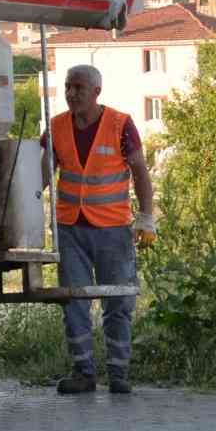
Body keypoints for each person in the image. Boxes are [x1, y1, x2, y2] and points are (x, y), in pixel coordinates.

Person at [41, 64, 156, 395]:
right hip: (70, 228)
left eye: (78, 87)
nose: (71, 93)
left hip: (113, 229)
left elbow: (140, 171)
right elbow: (42, 174)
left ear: (96, 92)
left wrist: (146, 217)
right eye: (67, 86)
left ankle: (119, 374)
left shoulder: (121, 125)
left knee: (118, 302)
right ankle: (83, 373)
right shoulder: (56, 127)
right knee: (74, 301)